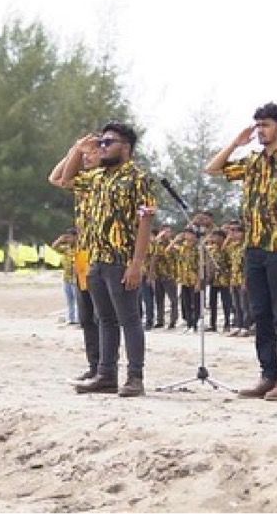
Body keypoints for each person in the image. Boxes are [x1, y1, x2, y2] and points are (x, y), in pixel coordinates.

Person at [206, 102, 277, 401]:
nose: (261, 130)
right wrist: (235, 144)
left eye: (266, 125)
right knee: (261, 314)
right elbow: (212, 169)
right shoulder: (252, 163)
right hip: (254, 248)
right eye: (258, 125)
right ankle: (268, 375)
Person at [61, 122, 156, 397]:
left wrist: (136, 263)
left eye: (108, 142)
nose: (101, 147)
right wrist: (78, 150)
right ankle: (106, 375)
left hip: (121, 259)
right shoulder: (98, 177)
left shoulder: (138, 178)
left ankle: (135, 377)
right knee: (105, 319)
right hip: (97, 258)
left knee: (129, 319)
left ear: (125, 147)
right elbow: (66, 180)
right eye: (100, 142)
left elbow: (145, 222)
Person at [49, 135, 103, 383]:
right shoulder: (82, 181)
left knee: (101, 315)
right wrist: (74, 149)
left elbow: (60, 180)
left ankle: (105, 367)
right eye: (85, 154)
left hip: (101, 253)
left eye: (92, 152)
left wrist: (78, 152)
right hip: (82, 255)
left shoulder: (102, 180)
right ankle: (94, 365)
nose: (87, 157)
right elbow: (55, 178)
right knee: (86, 314)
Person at [169, 228, 202, 331]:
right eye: (186, 233)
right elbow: (168, 250)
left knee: (195, 303)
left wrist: (199, 282)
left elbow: (201, 266)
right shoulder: (183, 247)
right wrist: (175, 240)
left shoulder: (198, 249)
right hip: (184, 279)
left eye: (189, 234)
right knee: (186, 303)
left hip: (194, 279)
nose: (186, 236)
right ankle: (189, 324)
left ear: (194, 236)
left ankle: (195, 324)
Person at [151, 225, 180, 330]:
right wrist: (151, 273)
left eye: (168, 232)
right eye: (164, 231)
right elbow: (154, 257)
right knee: (159, 299)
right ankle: (160, 320)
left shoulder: (173, 245)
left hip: (169, 275)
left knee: (173, 299)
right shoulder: (157, 244)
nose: (166, 234)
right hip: (159, 274)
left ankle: (173, 320)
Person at [50, 228, 80, 324]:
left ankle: (79, 319)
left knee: (78, 300)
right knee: (69, 300)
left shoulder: (79, 248)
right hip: (67, 277)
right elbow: (54, 247)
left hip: (76, 277)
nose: (68, 239)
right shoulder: (66, 248)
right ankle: (71, 319)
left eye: (70, 237)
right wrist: (60, 240)